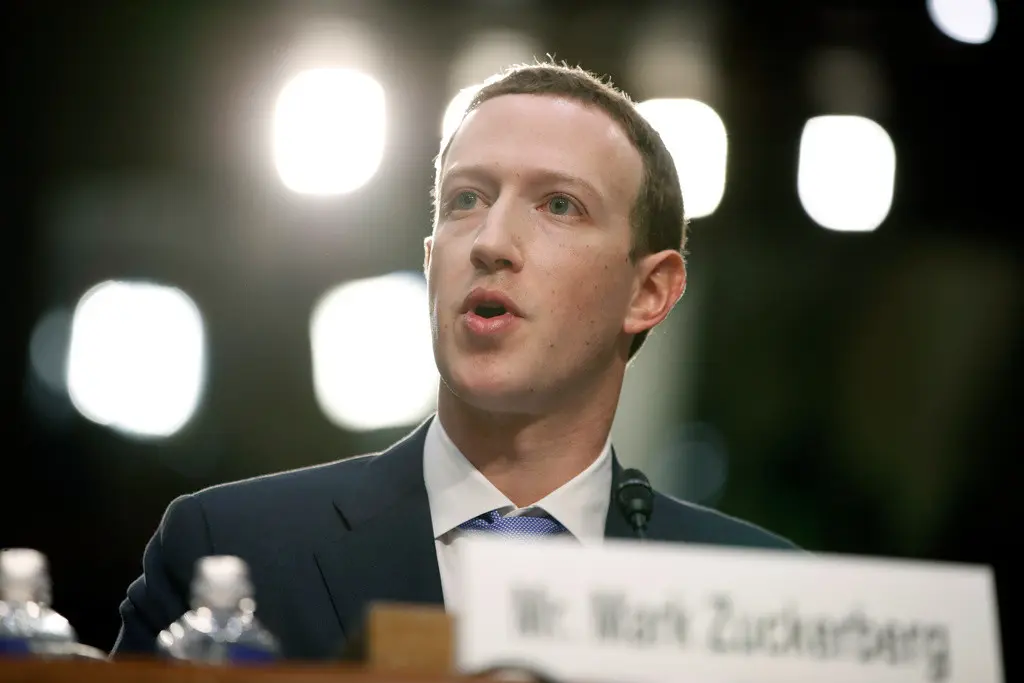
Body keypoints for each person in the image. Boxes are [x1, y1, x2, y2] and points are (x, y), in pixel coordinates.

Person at [111, 62, 797, 661]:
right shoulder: (232, 547)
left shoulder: (764, 593)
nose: (491, 240)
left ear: (649, 291)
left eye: (559, 205)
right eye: (466, 200)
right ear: (430, 259)